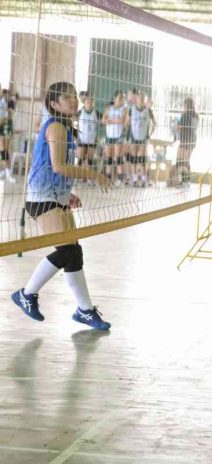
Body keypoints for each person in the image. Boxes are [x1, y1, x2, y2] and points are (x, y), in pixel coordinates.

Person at [11, 82, 111, 330]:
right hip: (41, 198)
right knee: (67, 252)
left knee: (74, 252)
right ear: (54, 104)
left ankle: (85, 311)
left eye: (74, 96)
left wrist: (68, 193)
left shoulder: (66, 128)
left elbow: (56, 170)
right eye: (67, 97)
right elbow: (57, 166)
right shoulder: (56, 127)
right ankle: (27, 294)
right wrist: (93, 174)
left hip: (56, 196)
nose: (73, 100)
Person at [101, 90, 129, 186]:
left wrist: (111, 120)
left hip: (118, 136)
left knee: (118, 158)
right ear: (115, 98)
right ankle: (108, 179)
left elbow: (123, 121)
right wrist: (113, 120)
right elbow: (103, 120)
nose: (121, 99)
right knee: (108, 159)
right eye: (119, 97)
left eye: (122, 98)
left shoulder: (124, 109)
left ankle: (120, 180)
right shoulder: (109, 108)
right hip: (109, 136)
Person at [128, 92, 156, 187]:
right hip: (133, 137)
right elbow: (127, 122)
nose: (141, 100)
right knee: (134, 159)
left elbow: (154, 123)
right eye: (139, 98)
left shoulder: (148, 110)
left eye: (142, 98)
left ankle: (144, 180)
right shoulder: (131, 109)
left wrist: (150, 134)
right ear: (136, 100)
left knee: (142, 159)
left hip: (143, 138)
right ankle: (135, 179)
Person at [173, 97, 198, 184]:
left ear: (186, 105)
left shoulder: (185, 115)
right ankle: (187, 180)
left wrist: (176, 124)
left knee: (180, 160)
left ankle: (181, 180)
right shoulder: (196, 115)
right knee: (186, 160)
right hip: (192, 139)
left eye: (184, 105)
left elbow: (179, 126)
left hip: (185, 139)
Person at [76, 92, 101, 175]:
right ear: (84, 103)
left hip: (92, 139)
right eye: (88, 102)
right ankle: (76, 177)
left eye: (91, 102)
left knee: (90, 160)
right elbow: (72, 119)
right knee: (81, 159)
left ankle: (88, 177)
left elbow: (103, 121)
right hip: (81, 139)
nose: (89, 104)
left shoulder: (96, 113)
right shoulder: (79, 113)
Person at [0, 88, 16, 182]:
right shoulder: (1, 101)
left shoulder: (11, 102)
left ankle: (7, 171)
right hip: (1, 125)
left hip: (8, 125)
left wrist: (9, 112)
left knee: (6, 149)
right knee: (2, 149)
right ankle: (6, 171)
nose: (7, 95)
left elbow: (11, 114)